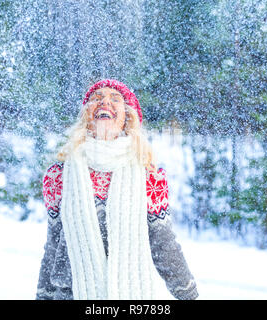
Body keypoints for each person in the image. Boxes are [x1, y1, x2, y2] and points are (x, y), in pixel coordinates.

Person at [36, 79, 198, 300]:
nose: (105, 102)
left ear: (127, 117)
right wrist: (42, 295)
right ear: (86, 115)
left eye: (115, 99)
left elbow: (164, 245)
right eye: (97, 98)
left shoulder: (148, 176)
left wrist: (189, 294)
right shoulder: (59, 175)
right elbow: (54, 246)